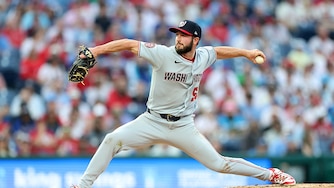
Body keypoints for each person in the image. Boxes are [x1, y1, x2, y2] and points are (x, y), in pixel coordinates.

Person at [72, 20, 296, 188]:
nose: (178, 38)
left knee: (219, 164)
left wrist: (246, 53)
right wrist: (95, 51)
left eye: (184, 36)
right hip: (151, 121)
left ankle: (271, 175)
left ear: (195, 40)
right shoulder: (162, 54)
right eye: (177, 34)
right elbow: (129, 45)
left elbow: (218, 51)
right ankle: (82, 185)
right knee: (112, 139)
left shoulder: (202, 56)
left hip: (183, 126)